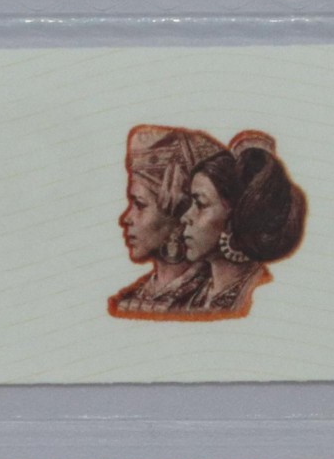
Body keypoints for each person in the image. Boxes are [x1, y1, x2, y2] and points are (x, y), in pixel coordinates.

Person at [171, 132, 309, 320]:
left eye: (200, 204)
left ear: (235, 216)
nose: (184, 218)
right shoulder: (191, 295)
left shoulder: (261, 293)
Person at [108, 125, 224, 319]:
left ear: (178, 217)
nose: (125, 219)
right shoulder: (130, 300)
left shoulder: (215, 298)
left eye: (140, 204)